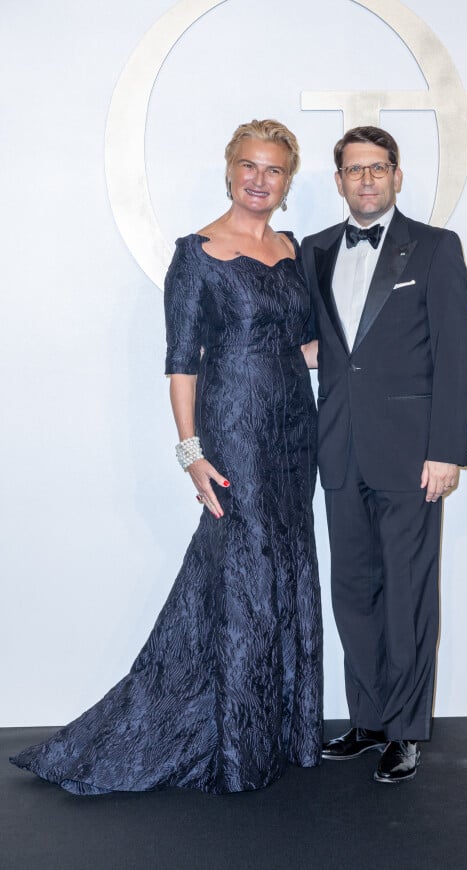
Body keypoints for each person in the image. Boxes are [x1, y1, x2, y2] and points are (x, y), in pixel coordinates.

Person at [11, 119, 323, 795]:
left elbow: (302, 345)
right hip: (234, 425)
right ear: (229, 168)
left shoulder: (294, 250)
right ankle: (234, 742)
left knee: (287, 563)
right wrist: (191, 453)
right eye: (249, 165)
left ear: (287, 180)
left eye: (273, 170)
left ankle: (278, 728)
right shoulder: (197, 254)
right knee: (243, 568)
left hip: (296, 429)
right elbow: (182, 364)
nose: (259, 180)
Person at [301, 125, 467, 784]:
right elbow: (320, 345)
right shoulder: (314, 250)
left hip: (412, 457)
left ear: (397, 176)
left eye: (378, 169)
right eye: (354, 170)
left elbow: (456, 355)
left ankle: (405, 730)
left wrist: (446, 450)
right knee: (354, 594)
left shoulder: (434, 248)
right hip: (338, 452)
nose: (367, 180)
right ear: (339, 179)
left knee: (407, 597)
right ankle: (369, 718)